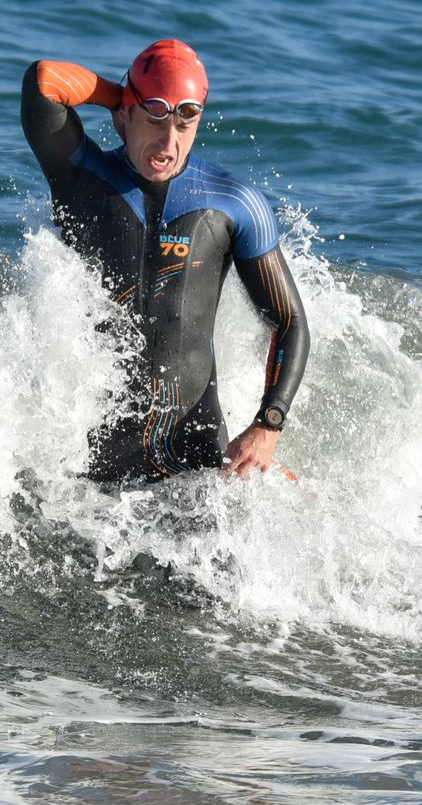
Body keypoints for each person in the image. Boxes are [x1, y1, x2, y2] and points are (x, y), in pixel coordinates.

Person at [21, 39, 310, 483]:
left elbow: (289, 321)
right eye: (154, 116)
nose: (168, 139)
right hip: (88, 458)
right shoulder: (81, 176)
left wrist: (267, 425)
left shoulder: (233, 204)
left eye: (185, 120)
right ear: (124, 115)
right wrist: (118, 94)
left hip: (193, 453)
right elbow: (43, 84)